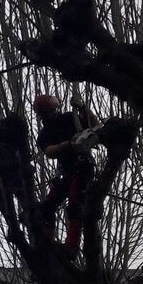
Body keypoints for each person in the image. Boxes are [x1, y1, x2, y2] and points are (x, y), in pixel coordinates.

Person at [33, 93, 101, 248]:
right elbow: (49, 151)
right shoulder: (44, 134)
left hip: (82, 166)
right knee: (47, 207)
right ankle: (47, 243)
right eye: (45, 113)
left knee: (75, 205)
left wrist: (83, 108)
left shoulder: (71, 118)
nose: (48, 115)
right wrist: (68, 145)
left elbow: (95, 126)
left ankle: (71, 246)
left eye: (50, 112)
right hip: (66, 171)